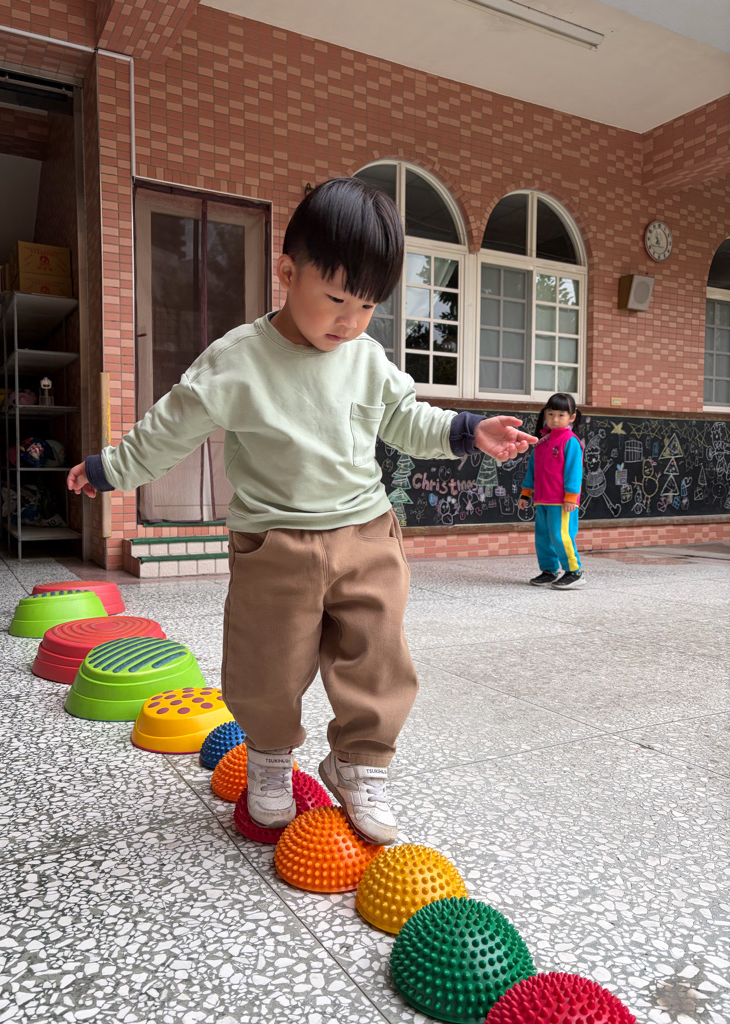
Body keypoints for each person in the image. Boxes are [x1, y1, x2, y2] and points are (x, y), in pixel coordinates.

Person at [67, 177, 538, 843]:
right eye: (337, 298)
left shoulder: (364, 359)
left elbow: (406, 419)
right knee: (267, 662)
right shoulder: (238, 360)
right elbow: (171, 427)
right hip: (275, 541)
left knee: (378, 653)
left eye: (368, 305)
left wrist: (467, 431)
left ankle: (359, 763)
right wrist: (110, 468)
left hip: (365, 533)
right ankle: (268, 756)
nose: (350, 321)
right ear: (288, 273)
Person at [518, 392, 585, 589]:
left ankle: (574, 572)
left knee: (560, 535)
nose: (555, 419)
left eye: (561, 415)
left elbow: (574, 471)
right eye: (551, 414)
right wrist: (526, 493)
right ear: (545, 414)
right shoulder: (542, 442)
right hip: (542, 499)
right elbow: (532, 470)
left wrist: (571, 497)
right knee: (543, 537)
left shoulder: (571, 441)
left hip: (561, 502)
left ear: (572, 417)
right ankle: (549, 570)